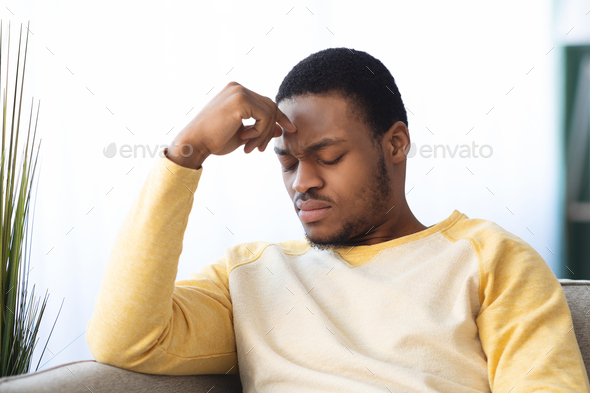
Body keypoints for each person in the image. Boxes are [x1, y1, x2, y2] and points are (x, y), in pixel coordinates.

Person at [86, 48, 590, 392]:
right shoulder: (250, 278)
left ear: (394, 144)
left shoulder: (491, 259)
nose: (301, 181)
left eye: (327, 156)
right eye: (287, 162)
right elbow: (126, 339)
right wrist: (186, 153)